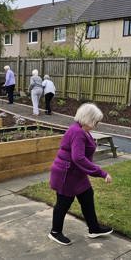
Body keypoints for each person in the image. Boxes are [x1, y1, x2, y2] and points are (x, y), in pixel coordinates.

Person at [48, 103, 113, 246]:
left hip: (77, 174)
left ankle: (94, 229)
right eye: (95, 121)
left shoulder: (81, 129)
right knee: (63, 203)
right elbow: (78, 158)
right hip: (67, 174)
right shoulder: (77, 132)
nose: (96, 124)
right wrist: (102, 173)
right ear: (88, 119)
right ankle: (55, 232)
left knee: (87, 196)